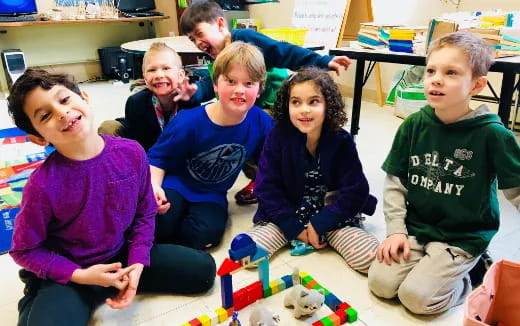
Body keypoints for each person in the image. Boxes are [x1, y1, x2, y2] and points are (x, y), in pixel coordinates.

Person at [7, 69, 216, 325]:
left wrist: (138, 262)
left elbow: (144, 213)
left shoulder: (132, 152)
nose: (61, 112)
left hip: (122, 256)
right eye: (46, 115)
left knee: (203, 272)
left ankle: (110, 282)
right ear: (38, 138)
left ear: (84, 97)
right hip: (74, 271)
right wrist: (80, 276)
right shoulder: (42, 185)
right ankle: (38, 291)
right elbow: (25, 249)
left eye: (64, 100)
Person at [367, 32, 520, 315]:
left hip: (463, 235)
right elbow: (395, 183)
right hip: (417, 227)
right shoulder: (413, 124)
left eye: (451, 72)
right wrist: (395, 231)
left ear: (477, 84)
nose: (436, 79)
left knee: (417, 299)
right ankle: (430, 264)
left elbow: (517, 190)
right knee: (381, 284)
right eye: (431, 70)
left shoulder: (493, 134)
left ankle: (472, 276)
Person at [179, 0, 353, 205]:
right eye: (192, 40)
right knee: (236, 130)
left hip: (276, 104)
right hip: (250, 108)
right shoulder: (217, 58)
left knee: (265, 137)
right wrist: (195, 93)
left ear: (219, 24)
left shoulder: (244, 39)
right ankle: (263, 179)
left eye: (199, 34)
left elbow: (283, 51)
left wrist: (323, 61)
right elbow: (211, 82)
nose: (198, 43)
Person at [247, 67, 379, 273]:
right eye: (296, 102)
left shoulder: (341, 140)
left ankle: (327, 232)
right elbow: (266, 188)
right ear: (286, 105)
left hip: (333, 216)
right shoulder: (277, 136)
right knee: (248, 255)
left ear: (328, 105)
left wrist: (320, 224)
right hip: (287, 213)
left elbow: (356, 189)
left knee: (370, 261)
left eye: (313, 101)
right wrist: (295, 229)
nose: (304, 109)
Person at [148, 42, 273, 250]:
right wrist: (154, 187)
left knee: (206, 236)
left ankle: (167, 249)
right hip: (177, 184)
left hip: (213, 195)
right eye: (231, 81)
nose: (239, 90)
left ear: (259, 89)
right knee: (159, 223)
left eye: (249, 83)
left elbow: (272, 160)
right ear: (215, 85)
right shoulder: (189, 121)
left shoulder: (261, 121)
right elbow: (157, 159)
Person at [98, 42, 200, 152]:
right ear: (145, 79)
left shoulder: (191, 100)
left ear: (181, 75)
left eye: (166, 68)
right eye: (152, 70)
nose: (159, 75)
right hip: (148, 149)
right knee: (108, 127)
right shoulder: (135, 103)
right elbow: (138, 145)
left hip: (180, 154)